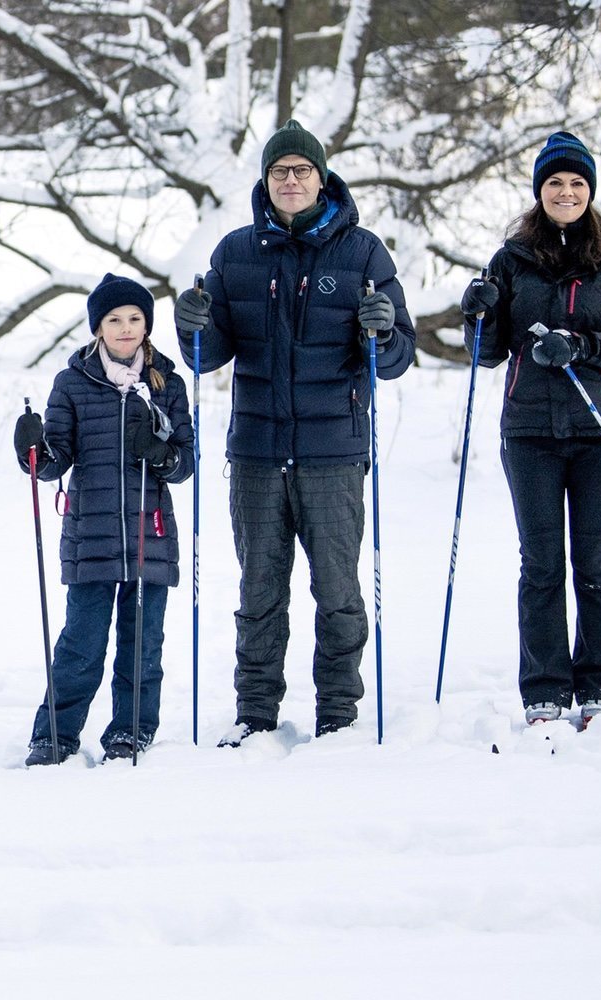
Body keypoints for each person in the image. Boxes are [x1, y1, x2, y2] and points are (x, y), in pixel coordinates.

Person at [172, 119, 416, 746]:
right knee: (258, 593)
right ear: (265, 180)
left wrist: (382, 330)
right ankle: (255, 713)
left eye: (300, 170)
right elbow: (207, 358)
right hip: (255, 453)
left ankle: (338, 711)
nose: (289, 180)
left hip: (333, 456)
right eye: (279, 171)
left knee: (337, 591)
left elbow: (394, 358)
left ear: (321, 177)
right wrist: (191, 325)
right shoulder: (235, 252)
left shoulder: (362, 253)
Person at [459, 131, 601, 729]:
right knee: (541, 562)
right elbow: (486, 353)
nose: (565, 192)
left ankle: (600, 684)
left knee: (595, 560)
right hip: (530, 433)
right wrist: (479, 311)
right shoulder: (511, 259)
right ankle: (545, 688)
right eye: (554, 183)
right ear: (538, 192)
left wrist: (584, 346)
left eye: (575, 183)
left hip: (600, 430)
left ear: (589, 192)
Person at [12, 274, 195, 766]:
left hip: (148, 535)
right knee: (81, 645)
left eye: (135, 318)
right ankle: (55, 734)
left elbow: (184, 465)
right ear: (97, 327)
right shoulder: (72, 384)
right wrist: (34, 452)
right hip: (90, 535)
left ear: (147, 325)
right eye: (114, 319)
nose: (126, 328)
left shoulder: (167, 384)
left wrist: (157, 452)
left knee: (142, 646)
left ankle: (130, 731)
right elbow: (55, 460)